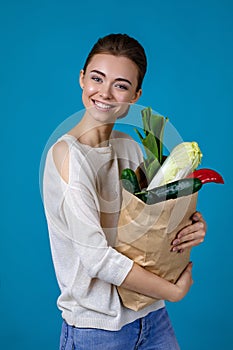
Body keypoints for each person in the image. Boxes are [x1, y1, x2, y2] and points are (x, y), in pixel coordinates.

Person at [42, 33, 207, 349]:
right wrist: (172, 292)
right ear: (81, 79)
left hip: (152, 317)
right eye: (96, 78)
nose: (104, 92)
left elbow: (153, 222)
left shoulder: (131, 147)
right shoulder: (67, 156)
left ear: (135, 96)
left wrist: (193, 225)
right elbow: (96, 258)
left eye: (120, 85)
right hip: (97, 329)